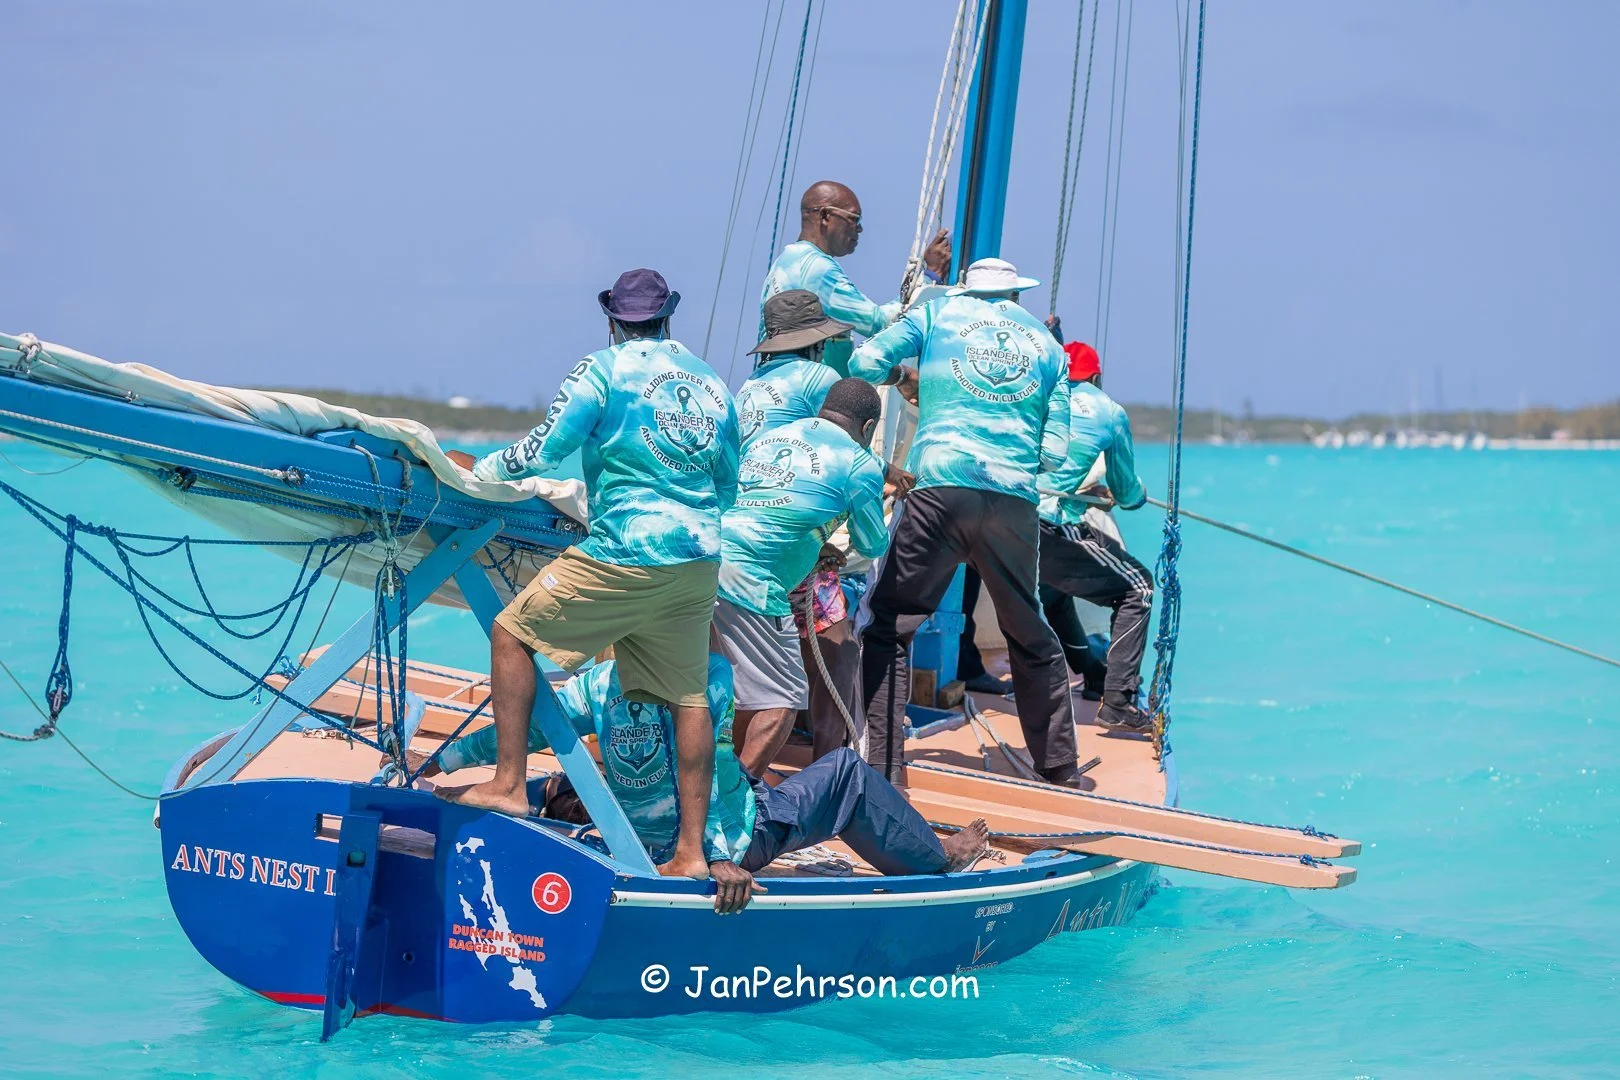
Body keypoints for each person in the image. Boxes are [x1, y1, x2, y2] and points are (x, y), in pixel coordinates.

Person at [439, 268, 739, 882]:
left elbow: (544, 450)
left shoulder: (602, 370)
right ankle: (689, 854)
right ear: (668, 317)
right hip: (698, 559)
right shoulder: (712, 384)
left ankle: (508, 784)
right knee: (687, 698)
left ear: (612, 320)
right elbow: (728, 482)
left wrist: (478, 471)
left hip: (627, 550)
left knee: (512, 633)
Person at [418, 654, 990, 913]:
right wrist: (716, 857)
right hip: (729, 838)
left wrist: (440, 762)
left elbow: (515, 729)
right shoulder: (708, 676)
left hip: (643, 841)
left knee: (567, 774)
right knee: (844, 773)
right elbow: (710, 773)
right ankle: (936, 862)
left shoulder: (592, 689)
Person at [851, 257, 1081, 787]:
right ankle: (1059, 768)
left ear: (967, 291)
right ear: (1015, 296)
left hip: (940, 486)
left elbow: (865, 362)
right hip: (1013, 501)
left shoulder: (936, 317)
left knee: (890, 622)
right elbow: (1056, 453)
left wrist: (908, 377)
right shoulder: (1049, 347)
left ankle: (884, 766)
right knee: (1028, 629)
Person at [712, 378, 890, 776]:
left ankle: (719, 780)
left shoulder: (771, 437)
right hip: (752, 581)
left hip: (703, 558)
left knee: (733, 690)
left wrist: (812, 543)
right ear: (867, 429)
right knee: (782, 701)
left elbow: (759, 504)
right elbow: (873, 543)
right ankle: (732, 800)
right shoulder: (860, 465)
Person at [1036, 339, 1155, 733]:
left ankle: (1090, 671)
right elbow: (1126, 490)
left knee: (1051, 589)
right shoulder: (1108, 411)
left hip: (1002, 520)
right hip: (1050, 524)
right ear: (1097, 377)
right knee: (1138, 589)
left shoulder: (1033, 393)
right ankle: (1118, 701)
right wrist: (1134, 497)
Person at [761, 180, 951, 378]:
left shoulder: (785, 262)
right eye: (854, 219)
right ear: (826, 216)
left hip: (779, 383)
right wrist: (930, 276)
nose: (859, 229)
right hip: (807, 396)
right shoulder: (818, 269)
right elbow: (880, 324)